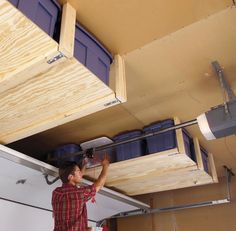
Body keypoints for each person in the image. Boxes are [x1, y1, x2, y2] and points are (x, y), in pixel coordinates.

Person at [52, 156, 110, 231]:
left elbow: (75, 185)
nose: (80, 173)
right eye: (78, 171)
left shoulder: (57, 193)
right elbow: (99, 184)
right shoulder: (77, 193)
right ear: (70, 177)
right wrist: (106, 165)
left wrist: (85, 164)